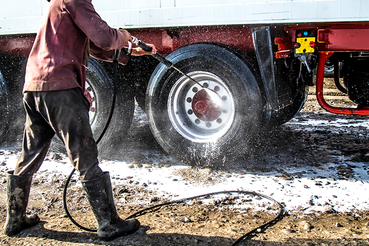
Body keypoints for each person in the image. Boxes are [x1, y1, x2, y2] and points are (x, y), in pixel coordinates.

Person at [4, 0, 156, 241]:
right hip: (61, 89)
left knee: (30, 152)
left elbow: (93, 46)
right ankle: (108, 223)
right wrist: (123, 35)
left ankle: (15, 218)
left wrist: (128, 52)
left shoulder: (58, 4)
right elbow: (104, 37)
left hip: (35, 88)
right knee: (84, 154)